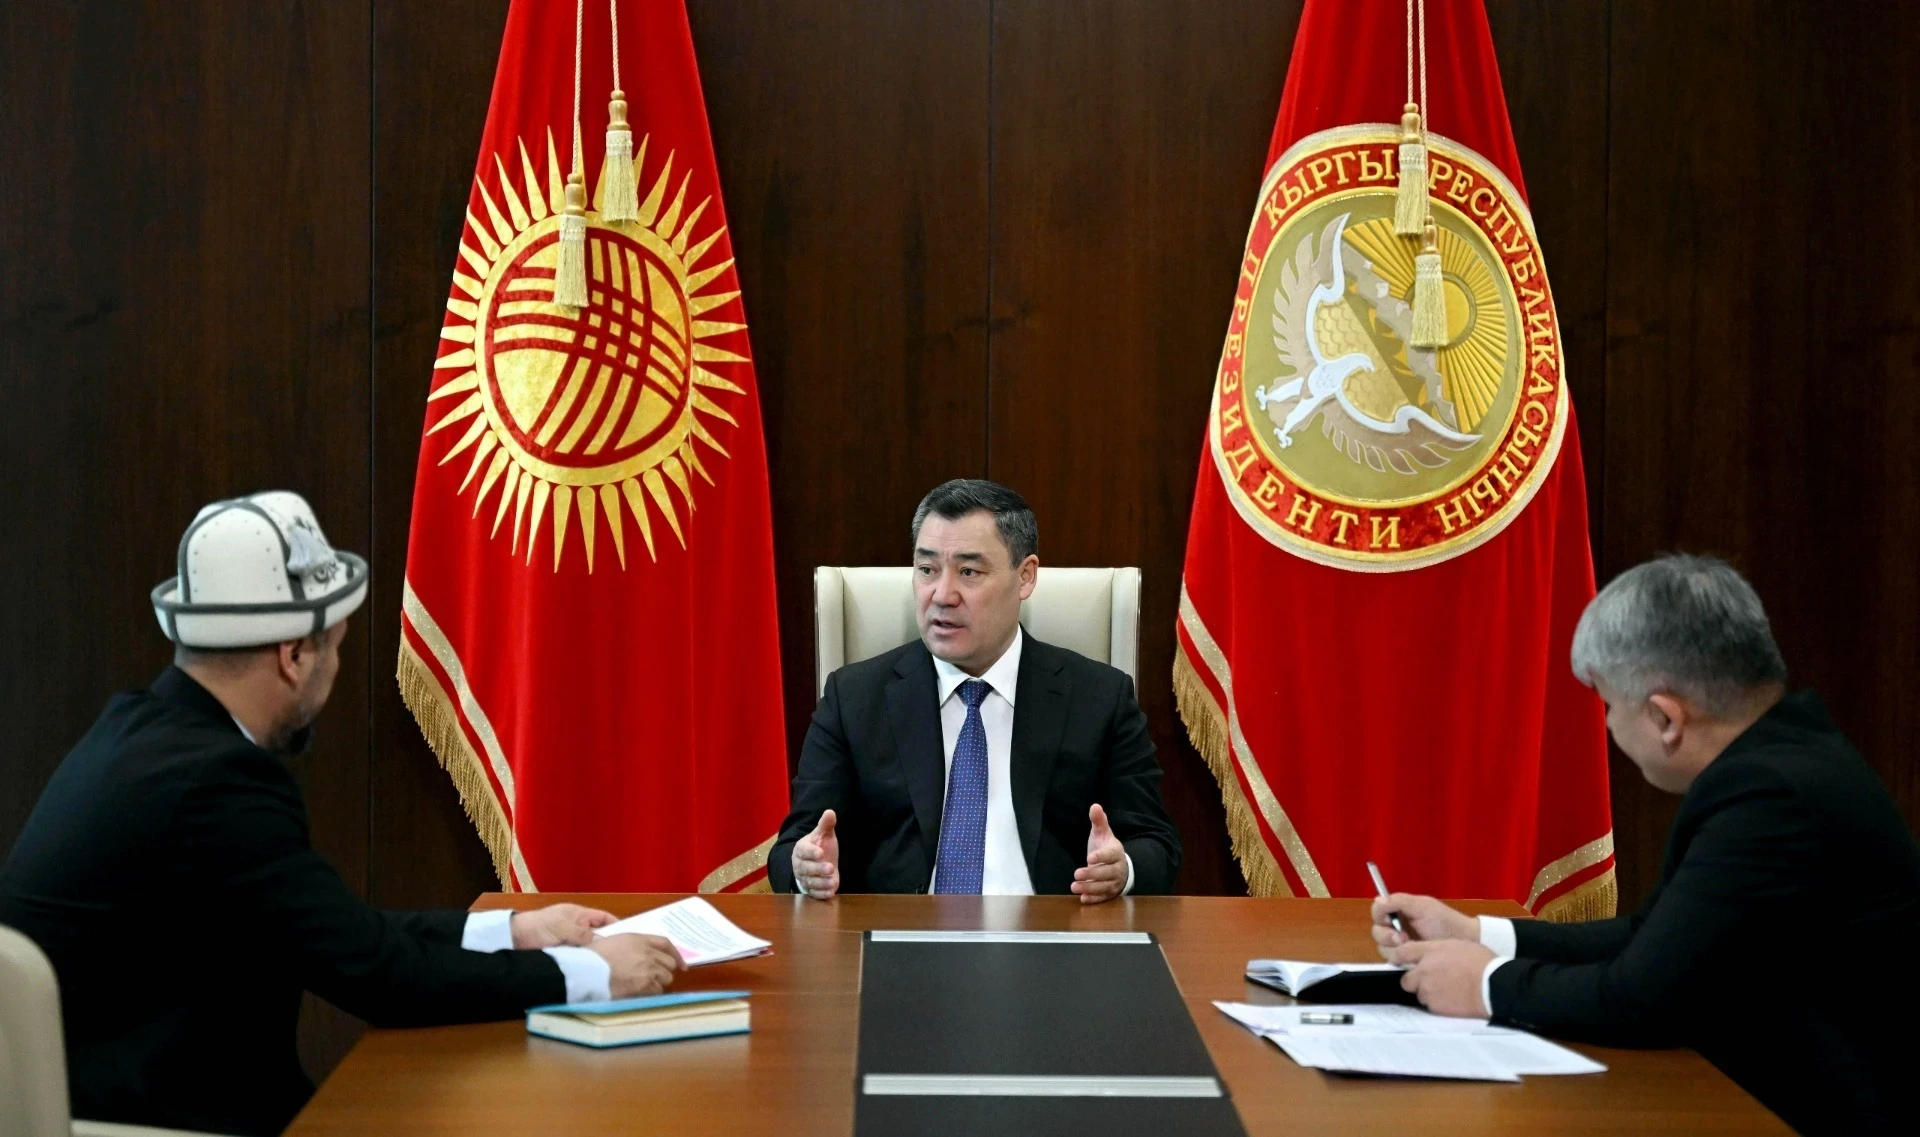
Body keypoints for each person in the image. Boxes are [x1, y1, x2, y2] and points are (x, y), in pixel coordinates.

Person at [0, 493, 685, 1136]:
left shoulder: (143, 733)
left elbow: (332, 932)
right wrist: (593, 975)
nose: (333, 668)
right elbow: (380, 977)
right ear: (295, 655)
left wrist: (514, 930)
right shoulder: (216, 784)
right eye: (335, 646)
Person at [1370, 554, 1920, 1137]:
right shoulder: (1789, 755)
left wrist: (1485, 985)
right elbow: (1653, 937)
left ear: (1665, 718)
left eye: (1610, 705)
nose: (1609, 725)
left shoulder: (1769, 799)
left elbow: (1638, 999)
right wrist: (1478, 935)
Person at [769, 479, 1180, 901]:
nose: (942, 595)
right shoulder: (854, 698)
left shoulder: (1099, 698)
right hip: (901, 933)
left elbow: (1156, 845)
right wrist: (806, 868)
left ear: (1025, 577)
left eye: (969, 572)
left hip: (1050, 932)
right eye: (927, 569)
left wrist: (1122, 869)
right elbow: (792, 848)